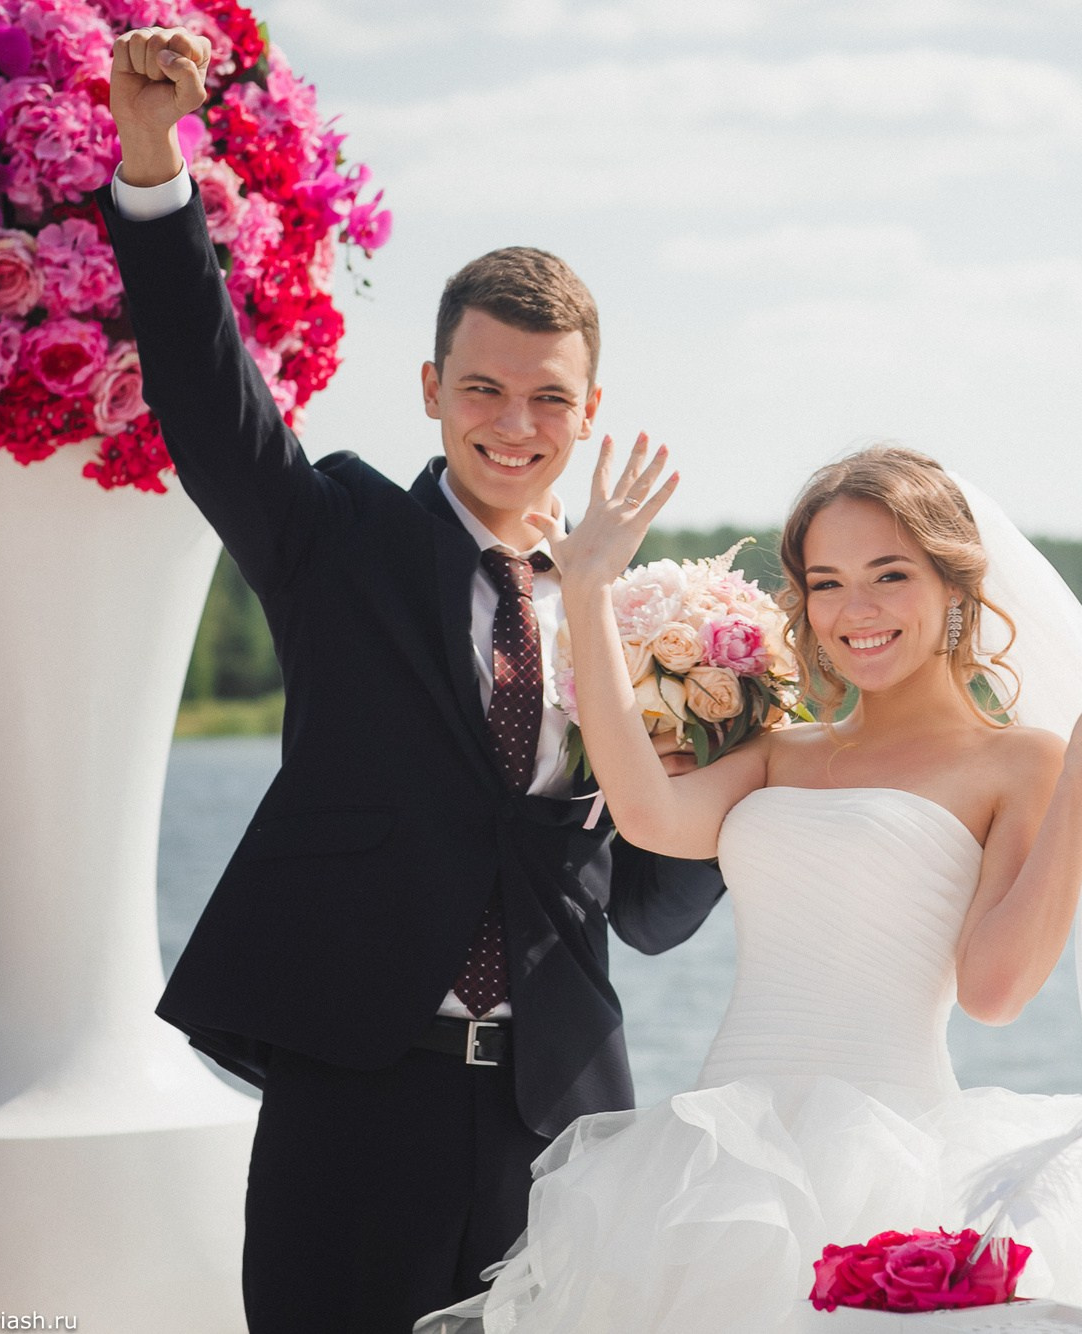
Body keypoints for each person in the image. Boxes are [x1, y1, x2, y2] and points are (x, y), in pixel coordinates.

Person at [416, 444, 1082, 1334]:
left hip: (890, 1153)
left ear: (955, 586)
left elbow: (995, 988)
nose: (853, 611)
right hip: (713, 1162)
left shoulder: (1019, 761)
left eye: (888, 575)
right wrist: (590, 590)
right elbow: (647, 815)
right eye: (824, 582)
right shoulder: (783, 750)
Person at [96, 27, 729, 1332]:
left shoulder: (638, 620)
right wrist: (154, 165)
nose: (515, 422)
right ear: (432, 389)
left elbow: (660, 901)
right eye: (484, 388)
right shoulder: (340, 541)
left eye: (549, 397)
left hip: (561, 1112)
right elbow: (211, 401)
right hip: (356, 1094)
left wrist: (765, 756)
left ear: (590, 409)